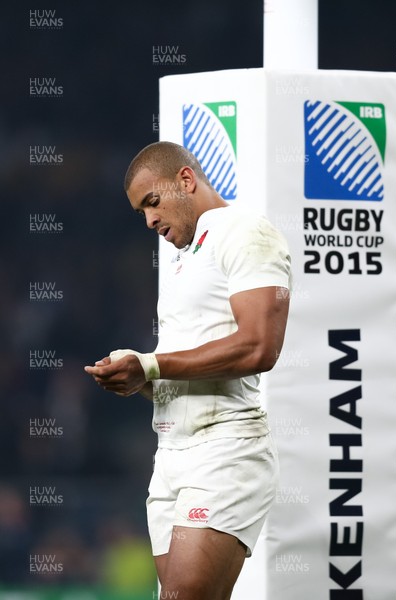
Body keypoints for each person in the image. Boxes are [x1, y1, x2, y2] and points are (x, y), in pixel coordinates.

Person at [85, 141, 291, 600]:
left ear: (185, 180)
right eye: (140, 212)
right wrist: (137, 375)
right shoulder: (183, 258)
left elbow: (260, 346)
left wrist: (152, 366)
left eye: (152, 203)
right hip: (172, 454)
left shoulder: (246, 233)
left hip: (225, 449)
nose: (149, 221)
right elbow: (187, 366)